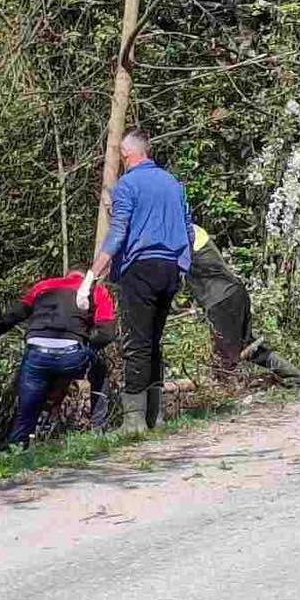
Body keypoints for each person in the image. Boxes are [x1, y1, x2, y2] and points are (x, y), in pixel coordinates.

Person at [81, 129, 191, 433]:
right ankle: (156, 416)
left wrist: (94, 272)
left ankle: (133, 420)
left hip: (140, 269)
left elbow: (118, 232)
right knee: (153, 340)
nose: (123, 160)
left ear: (131, 154)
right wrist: (183, 264)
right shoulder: (173, 183)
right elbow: (188, 229)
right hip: (170, 270)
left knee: (136, 343)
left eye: (123, 155)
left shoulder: (128, 184)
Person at [0, 272, 115, 448]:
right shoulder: (96, 289)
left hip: (37, 353)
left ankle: (17, 447)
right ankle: (99, 430)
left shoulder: (43, 286)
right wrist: (84, 342)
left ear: (68, 274)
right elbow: (107, 333)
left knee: (26, 408)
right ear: (85, 276)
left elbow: (17, 313)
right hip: (71, 355)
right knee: (99, 369)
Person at [186, 216, 300, 388]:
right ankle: (296, 376)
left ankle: (226, 399)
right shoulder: (193, 230)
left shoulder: (181, 235)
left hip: (221, 300)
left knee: (225, 361)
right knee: (248, 347)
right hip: (235, 293)